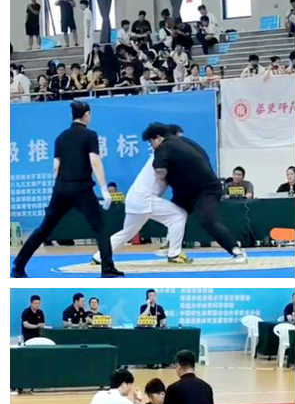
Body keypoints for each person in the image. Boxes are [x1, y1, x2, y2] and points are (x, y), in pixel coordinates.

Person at [11, 102, 124, 278]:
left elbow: (55, 168)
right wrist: (104, 188)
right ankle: (107, 268)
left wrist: (59, 188)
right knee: (100, 227)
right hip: (82, 189)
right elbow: (95, 162)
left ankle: (18, 266)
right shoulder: (90, 135)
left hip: (61, 188)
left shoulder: (61, 138)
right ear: (87, 114)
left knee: (44, 229)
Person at [142, 123, 248, 263]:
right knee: (173, 215)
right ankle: (172, 248)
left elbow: (160, 172)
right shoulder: (187, 142)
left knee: (207, 220)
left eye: (151, 142)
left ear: (158, 138)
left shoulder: (163, 147)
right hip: (188, 191)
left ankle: (236, 250)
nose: (151, 146)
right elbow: (204, 158)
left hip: (205, 191)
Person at [90, 141, 192, 265]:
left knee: (127, 232)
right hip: (144, 198)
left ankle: (99, 257)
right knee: (179, 215)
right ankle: (174, 254)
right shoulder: (163, 156)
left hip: (134, 198)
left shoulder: (161, 155)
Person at [80, 0, 94, 65]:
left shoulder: (87, 11)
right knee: (87, 47)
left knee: (88, 47)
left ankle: (88, 61)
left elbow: (88, 22)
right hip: (87, 32)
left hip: (88, 32)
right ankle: (87, 61)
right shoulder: (86, 12)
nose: (81, 6)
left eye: (82, 4)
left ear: (85, 5)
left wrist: (87, 32)